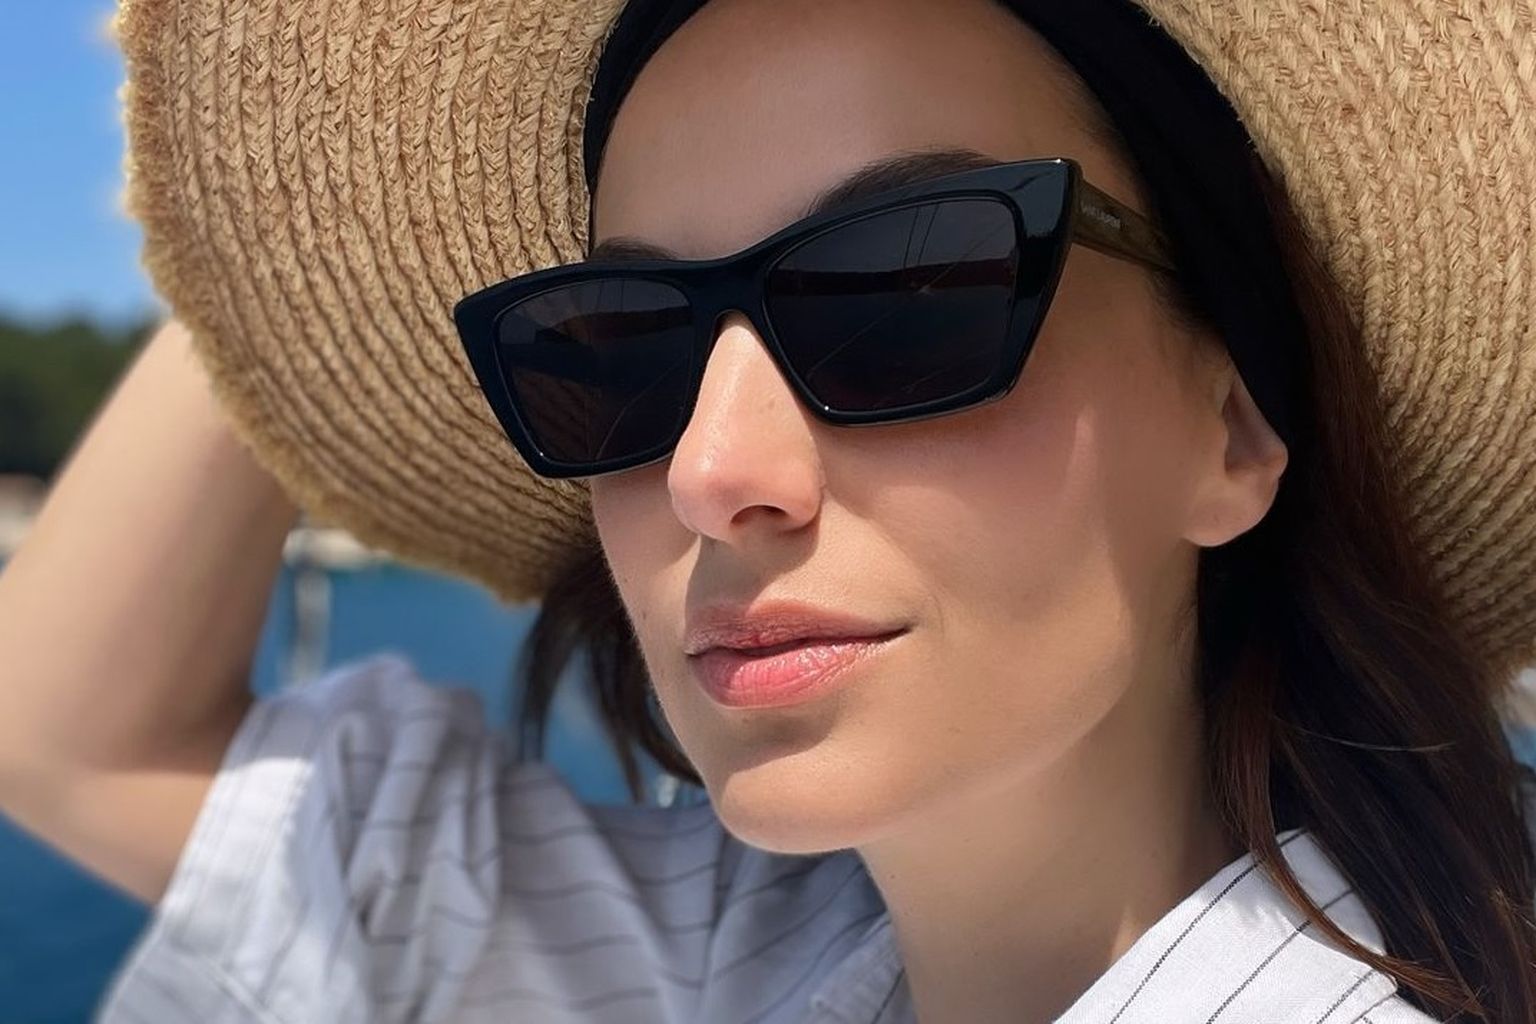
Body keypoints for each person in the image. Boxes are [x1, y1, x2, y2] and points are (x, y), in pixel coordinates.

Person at [1, 0, 1533, 1020]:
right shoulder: (736, 955)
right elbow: (67, 735)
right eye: (618, 345)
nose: (711, 469)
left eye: (909, 294)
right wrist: (299, 216)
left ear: (1232, 429)